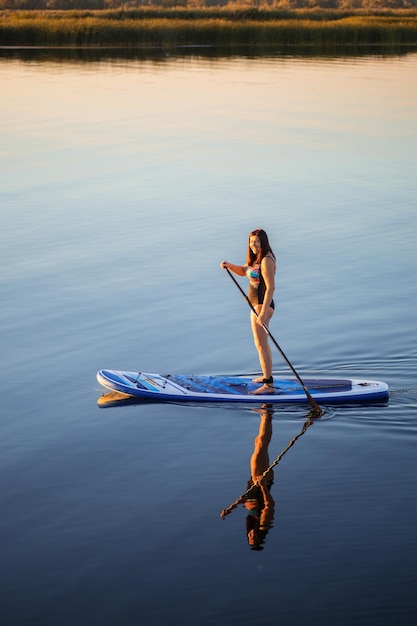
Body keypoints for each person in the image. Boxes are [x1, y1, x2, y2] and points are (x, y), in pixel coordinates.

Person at [220, 228, 276, 395]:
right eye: (251, 242)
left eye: (257, 242)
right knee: (261, 344)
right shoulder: (256, 259)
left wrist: (263, 312)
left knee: (261, 344)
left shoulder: (266, 260)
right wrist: (229, 266)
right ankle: (267, 377)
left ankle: (268, 384)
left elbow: (271, 288)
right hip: (257, 306)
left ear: (263, 242)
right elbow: (244, 271)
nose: (253, 245)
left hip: (261, 306)